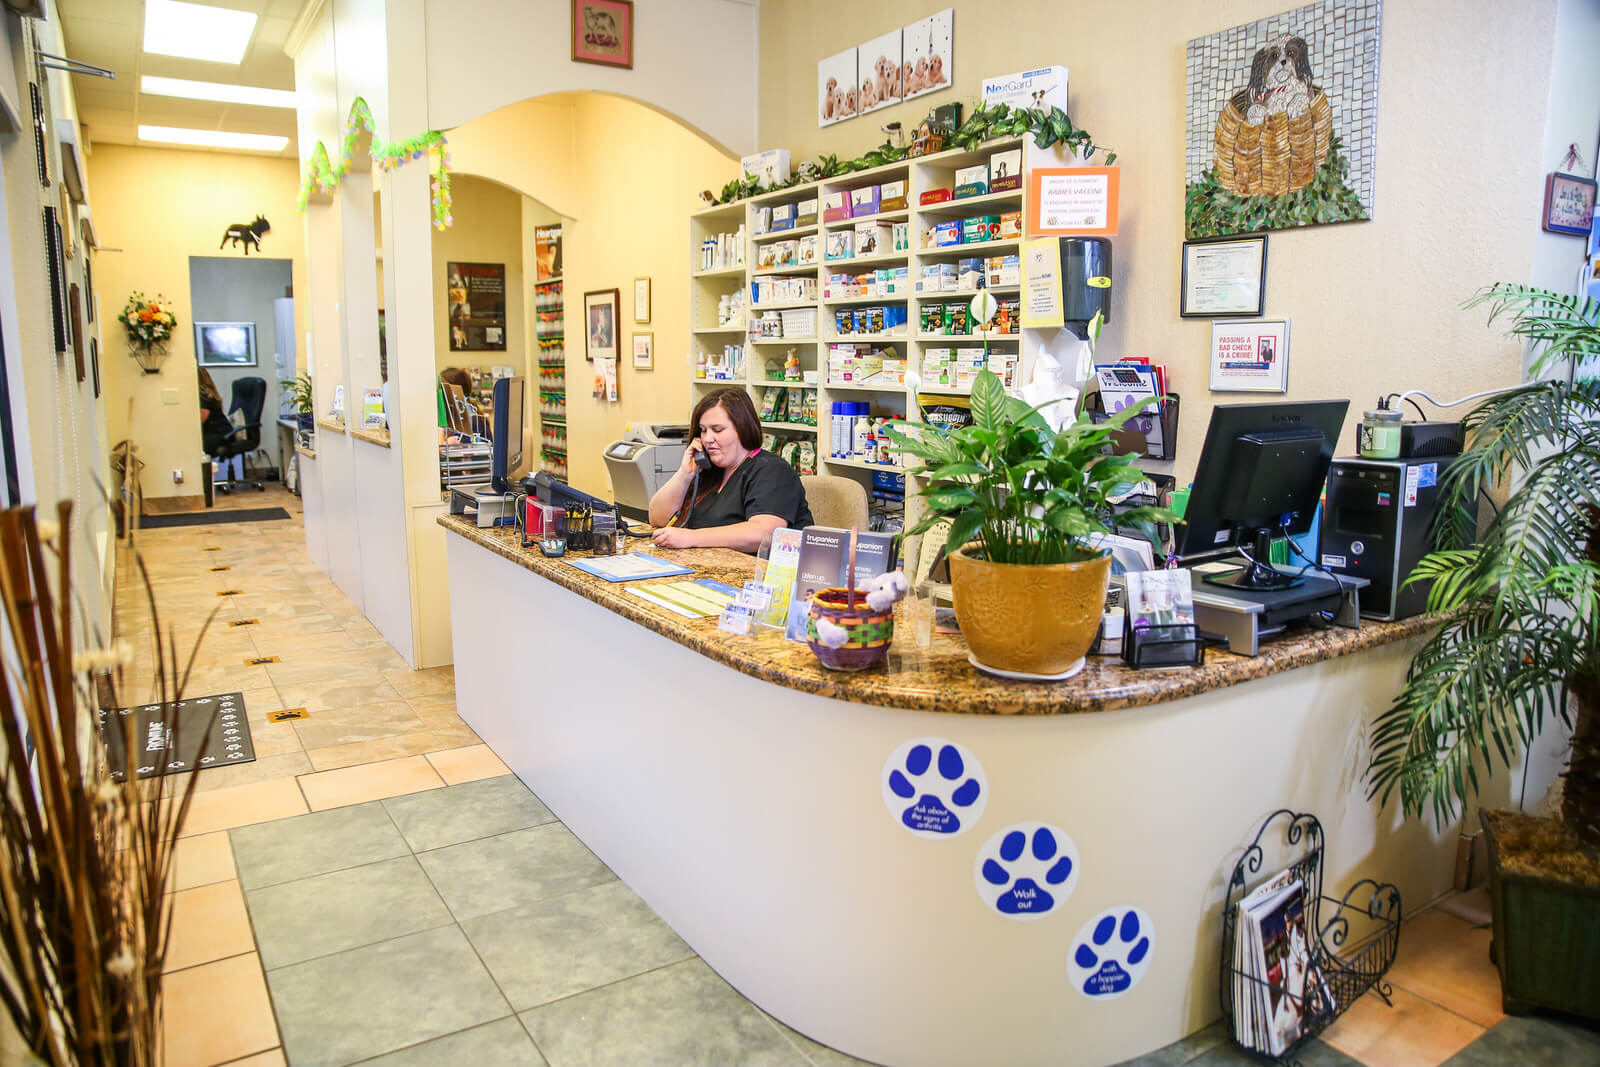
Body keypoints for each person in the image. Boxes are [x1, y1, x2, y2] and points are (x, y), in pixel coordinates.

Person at [649, 388, 813, 552]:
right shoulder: (708, 470)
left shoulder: (772, 470)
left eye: (717, 430)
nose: (707, 439)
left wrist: (691, 537)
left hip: (759, 573)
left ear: (743, 428)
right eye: (703, 430)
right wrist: (684, 474)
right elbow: (658, 519)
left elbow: (764, 534)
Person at [198, 368, 233, 457]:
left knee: (193, 445)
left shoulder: (204, 395)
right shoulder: (208, 393)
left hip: (222, 435)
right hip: (220, 433)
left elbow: (200, 420)